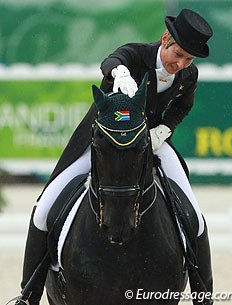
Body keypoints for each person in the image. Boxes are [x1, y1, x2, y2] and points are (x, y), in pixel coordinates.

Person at [15, 8, 213, 305]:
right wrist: (118, 72)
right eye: (179, 55)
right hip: (105, 141)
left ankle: (204, 294)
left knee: (194, 216)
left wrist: (163, 130)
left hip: (150, 143)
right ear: (164, 40)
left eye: (188, 59)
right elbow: (112, 60)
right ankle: (28, 295)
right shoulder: (136, 55)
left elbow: (181, 107)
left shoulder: (188, 75)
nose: (181, 64)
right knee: (44, 209)